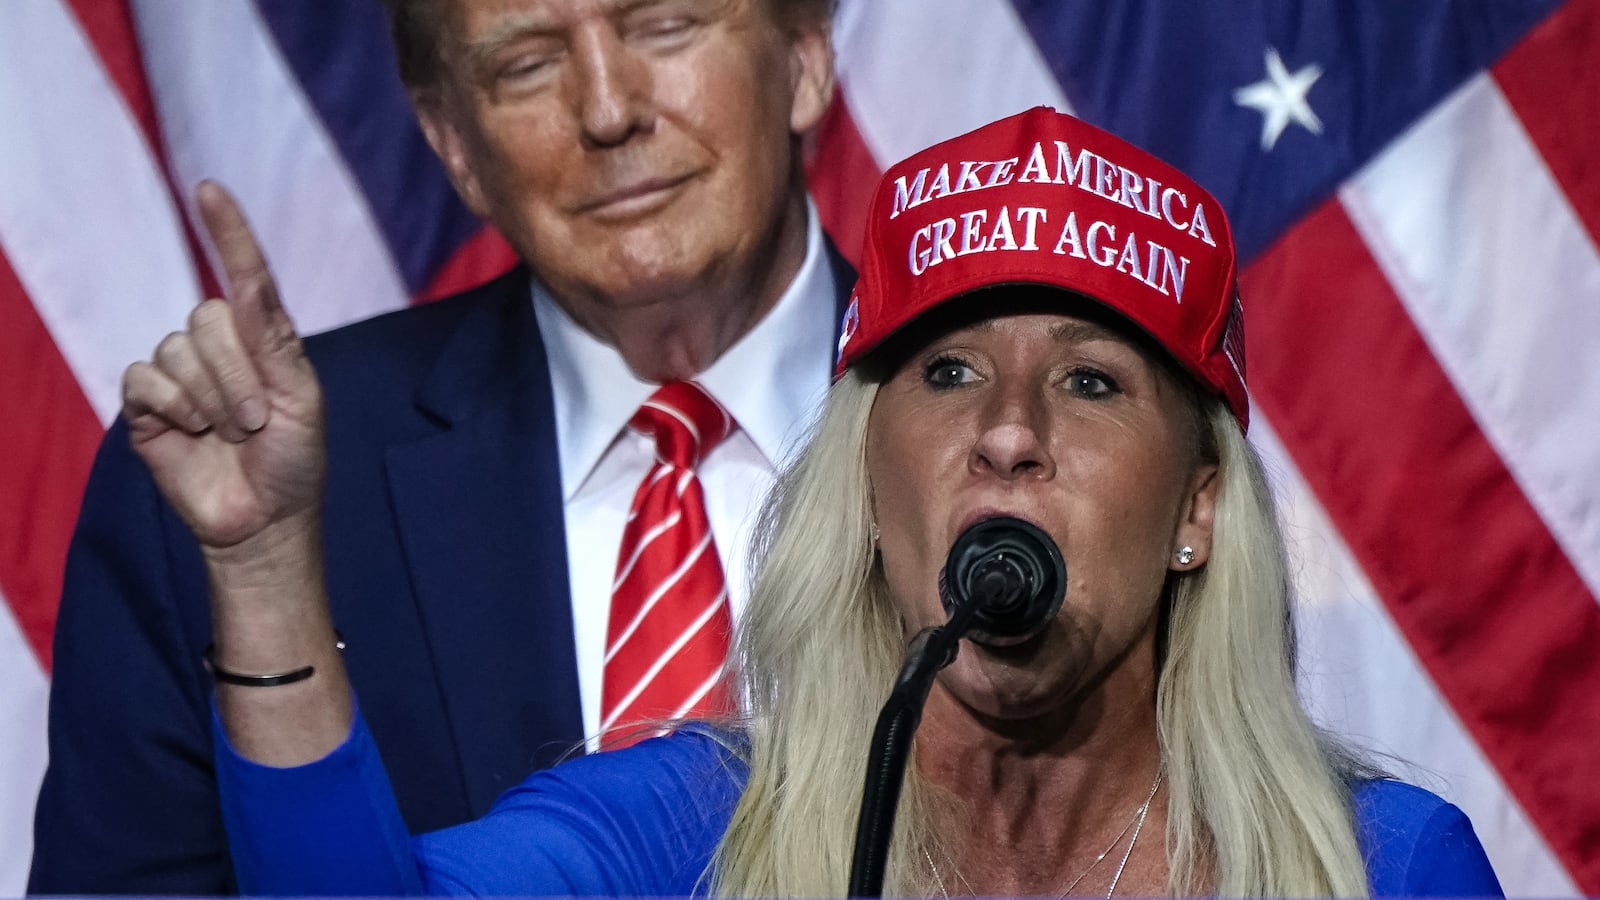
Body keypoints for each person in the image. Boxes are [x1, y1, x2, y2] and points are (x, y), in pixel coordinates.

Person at [149, 108, 1502, 896]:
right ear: (868, 477)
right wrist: (264, 562)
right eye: (950, 371)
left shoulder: (1382, 866)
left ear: (1199, 509)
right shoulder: (688, 827)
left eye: (1091, 384)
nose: (1009, 432)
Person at [29, 0, 845, 893]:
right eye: (526, 64)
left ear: (804, 56)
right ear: (453, 143)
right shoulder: (224, 489)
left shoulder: (1000, 432)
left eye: (664, 27)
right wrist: (262, 571)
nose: (609, 110)